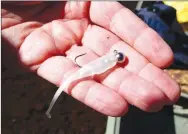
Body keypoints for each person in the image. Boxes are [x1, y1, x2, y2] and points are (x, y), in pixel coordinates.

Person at [2, 1, 180, 117]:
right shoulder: (109, 60)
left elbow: (103, 64)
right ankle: (49, 109)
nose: (117, 57)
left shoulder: (110, 61)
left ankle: (50, 109)